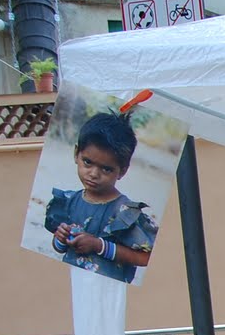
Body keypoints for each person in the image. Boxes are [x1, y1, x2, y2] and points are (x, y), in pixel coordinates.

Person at [45, 111, 158, 284]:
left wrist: (100, 246)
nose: (94, 174)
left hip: (109, 290)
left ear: (122, 171)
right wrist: (60, 238)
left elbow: (146, 257)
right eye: (87, 162)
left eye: (106, 169)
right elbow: (60, 249)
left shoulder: (125, 212)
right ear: (76, 154)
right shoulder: (69, 201)